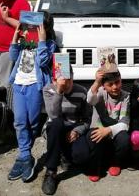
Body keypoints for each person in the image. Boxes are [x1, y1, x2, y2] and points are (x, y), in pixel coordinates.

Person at [6, 11, 57, 183]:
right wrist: (16, 36)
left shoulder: (49, 44)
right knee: (19, 121)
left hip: (35, 86)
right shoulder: (25, 41)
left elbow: (43, 61)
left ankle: (25, 154)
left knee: (33, 121)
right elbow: (12, 56)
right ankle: (25, 156)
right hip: (19, 84)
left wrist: (42, 39)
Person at [40, 66, 92, 195]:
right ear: (54, 79)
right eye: (62, 79)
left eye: (69, 79)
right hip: (54, 128)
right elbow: (53, 115)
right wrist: (59, 91)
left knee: (82, 157)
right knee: (57, 123)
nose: (66, 83)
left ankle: (63, 154)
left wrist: (77, 131)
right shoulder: (48, 89)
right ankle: (51, 172)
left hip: (72, 128)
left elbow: (87, 119)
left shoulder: (81, 91)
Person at [85, 67, 130, 182]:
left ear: (121, 80)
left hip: (112, 131)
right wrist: (96, 82)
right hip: (98, 129)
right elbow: (90, 100)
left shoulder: (125, 96)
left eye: (117, 82)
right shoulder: (101, 93)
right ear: (103, 86)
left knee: (124, 138)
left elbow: (125, 124)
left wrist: (108, 130)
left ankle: (115, 162)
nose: (115, 87)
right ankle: (95, 168)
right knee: (94, 136)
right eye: (110, 84)